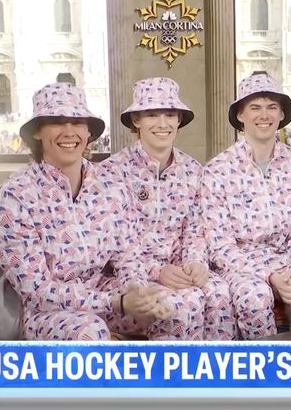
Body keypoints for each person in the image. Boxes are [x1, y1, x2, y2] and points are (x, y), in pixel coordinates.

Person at [0, 83, 179, 340]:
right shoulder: (11, 198)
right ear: (37, 133)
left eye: (77, 123)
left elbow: (127, 253)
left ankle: (168, 380)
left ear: (88, 132)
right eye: (57, 122)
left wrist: (136, 289)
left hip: (110, 294)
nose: (69, 132)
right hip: (51, 313)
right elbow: (36, 291)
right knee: (91, 331)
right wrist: (117, 302)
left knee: (175, 309)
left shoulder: (110, 183)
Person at [200, 74, 291, 340]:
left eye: (271, 107)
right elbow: (220, 245)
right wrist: (270, 276)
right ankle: (267, 370)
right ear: (241, 115)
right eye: (255, 107)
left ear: (281, 114)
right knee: (254, 299)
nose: (264, 115)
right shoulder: (217, 170)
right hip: (243, 266)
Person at [101, 77, 236, 340]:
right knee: (183, 307)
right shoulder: (110, 173)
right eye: (152, 114)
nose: (162, 124)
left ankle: (219, 377)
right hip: (133, 278)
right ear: (136, 121)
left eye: (169, 115)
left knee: (220, 294)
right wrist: (157, 272)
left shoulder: (193, 169)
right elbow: (114, 247)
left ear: (178, 120)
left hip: (181, 272)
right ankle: (174, 379)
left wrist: (195, 262)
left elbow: (196, 229)